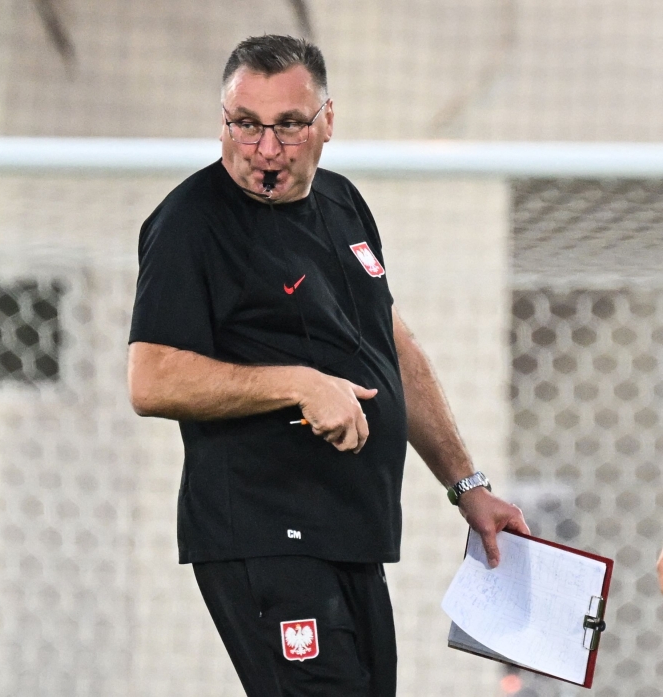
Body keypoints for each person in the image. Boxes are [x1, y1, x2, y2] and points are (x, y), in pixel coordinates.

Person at [127, 34, 529, 697]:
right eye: (245, 125)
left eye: (287, 125)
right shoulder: (189, 223)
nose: (264, 148)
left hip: (354, 535)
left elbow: (392, 346)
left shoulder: (343, 203)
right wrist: (298, 383)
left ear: (327, 122)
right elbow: (151, 377)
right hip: (264, 535)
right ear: (223, 120)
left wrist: (467, 485)